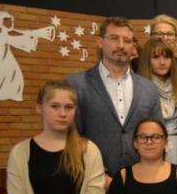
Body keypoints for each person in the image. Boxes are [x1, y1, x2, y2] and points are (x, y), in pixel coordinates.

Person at [67, 16, 163, 185]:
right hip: (93, 182)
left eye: (127, 41)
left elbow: (157, 137)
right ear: (100, 42)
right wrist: (99, 175)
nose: (121, 45)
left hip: (141, 182)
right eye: (114, 38)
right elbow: (72, 136)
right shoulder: (76, 84)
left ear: (133, 46)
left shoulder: (149, 89)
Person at [136, 38, 177, 164]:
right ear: (147, 61)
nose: (162, 62)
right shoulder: (137, 90)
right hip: (149, 150)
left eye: (166, 57)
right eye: (156, 57)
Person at [148, 14, 177, 89]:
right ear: (151, 37)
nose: (164, 38)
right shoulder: (136, 65)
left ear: (176, 38)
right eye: (159, 33)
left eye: (169, 34)